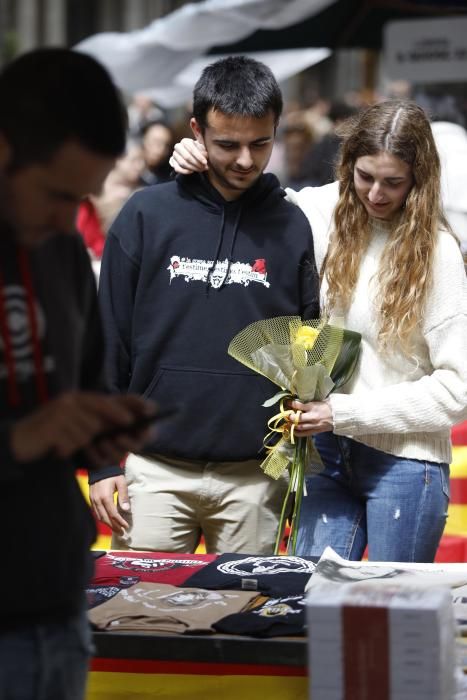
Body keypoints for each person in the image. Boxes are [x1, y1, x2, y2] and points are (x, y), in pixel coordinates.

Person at [170, 99, 467, 563]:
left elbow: (458, 388)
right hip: (324, 451)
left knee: (391, 614)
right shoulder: (323, 209)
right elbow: (251, 202)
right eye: (365, 176)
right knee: (308, 599)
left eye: (394, 182)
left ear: (420, 179)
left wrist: (343, 413)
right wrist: (198, 161)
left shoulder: (439, 253)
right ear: (348, 164)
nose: (375, 194)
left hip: (407, 464)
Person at [90, 56, 319, 555]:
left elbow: (309, 343)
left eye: (260, 143)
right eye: (227, 144)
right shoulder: (146, 214)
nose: (244, 160)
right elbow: (107, 340)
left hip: (255, 479)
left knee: (243, 626)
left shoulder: (292, 224)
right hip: (150, 472)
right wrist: (105, 463)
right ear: (196, 131)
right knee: (138, 625)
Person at [0, 48, 155, 700]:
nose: (72, 220)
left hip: (57, 598)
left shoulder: (61, 246)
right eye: (59, 194)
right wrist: (23, 439)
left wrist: (103, 436)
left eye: (85, 197)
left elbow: (84, 379)